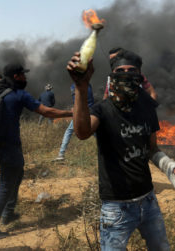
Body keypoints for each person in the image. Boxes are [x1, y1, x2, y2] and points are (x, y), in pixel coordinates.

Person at [67, 50, 170, 250]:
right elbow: (82, 132)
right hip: (117, 207)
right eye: (120, 70)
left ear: (140, 75)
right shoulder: (102, 109)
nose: (126, 74)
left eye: (132, 70)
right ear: (112, 76)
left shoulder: (147, 106)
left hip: (148, 201)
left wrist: (169, 166)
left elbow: (152, 149)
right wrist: (81, 86)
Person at [0, 63, 72, 241]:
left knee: (18, 172)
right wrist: (72, 112)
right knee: (5, 185)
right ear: (16, 77)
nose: (25, 78)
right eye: (23, 75)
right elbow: (47, 111)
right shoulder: (19, 94)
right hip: (9, 146)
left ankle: (8, 213)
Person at [54, 83, 94, 161]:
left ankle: (61, 154)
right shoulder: (88, 84)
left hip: (80, 112)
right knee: (96, 131)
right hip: (91, 111)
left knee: (69, 131)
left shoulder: (73, 86)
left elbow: (75, 100)